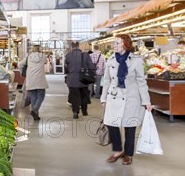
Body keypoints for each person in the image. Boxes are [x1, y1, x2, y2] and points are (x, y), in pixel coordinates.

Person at [101, 34, 152, 166]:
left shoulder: (136, 60)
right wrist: (103, 98)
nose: (114, 46)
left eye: (117, 43)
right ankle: (118, 150)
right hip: (114, 96)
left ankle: (128, 154)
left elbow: (141, 82)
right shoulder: (111, 60)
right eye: (114, 43)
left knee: (130, 126)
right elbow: (106, 80)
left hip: (131, 97)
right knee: (112, 124)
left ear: (125, 45)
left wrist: (146, 101)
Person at [65, 41, 95, 119]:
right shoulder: (85, 55)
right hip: (83, 79)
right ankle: (84, 111)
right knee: (84, 95)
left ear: (72, 47)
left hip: (72, 79)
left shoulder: (68, 55)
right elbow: (91, 66)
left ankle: (75, 112)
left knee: (74, 96)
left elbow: (66, 68)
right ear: (79, 46)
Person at [19, 45, 48, 120]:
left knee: (33, 98)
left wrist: (22, 73)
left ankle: (36, 116)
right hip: (40, 80)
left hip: (30, 80)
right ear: (40, 49)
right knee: (41, 95)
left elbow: (20, 64)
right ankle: (34, 110)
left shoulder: (28, 57)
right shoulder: (43, 56)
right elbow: (46, 62)